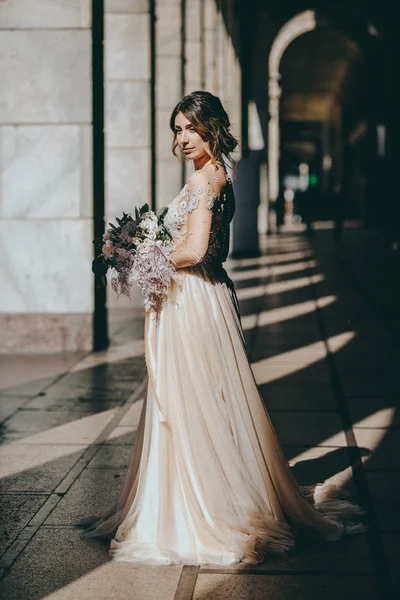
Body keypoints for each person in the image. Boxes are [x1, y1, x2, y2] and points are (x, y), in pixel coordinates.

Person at [79, 91, 365, 566]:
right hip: (192, 297)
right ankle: (193, 494)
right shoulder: (217, 173)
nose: (183, 137)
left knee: (190, 400)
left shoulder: (207, 178)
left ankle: (201, 510)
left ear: (212, 127)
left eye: (191, 127)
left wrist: (137, 257)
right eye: (177, 129)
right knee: (193, 399)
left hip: (193, 299)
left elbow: (194, 250)